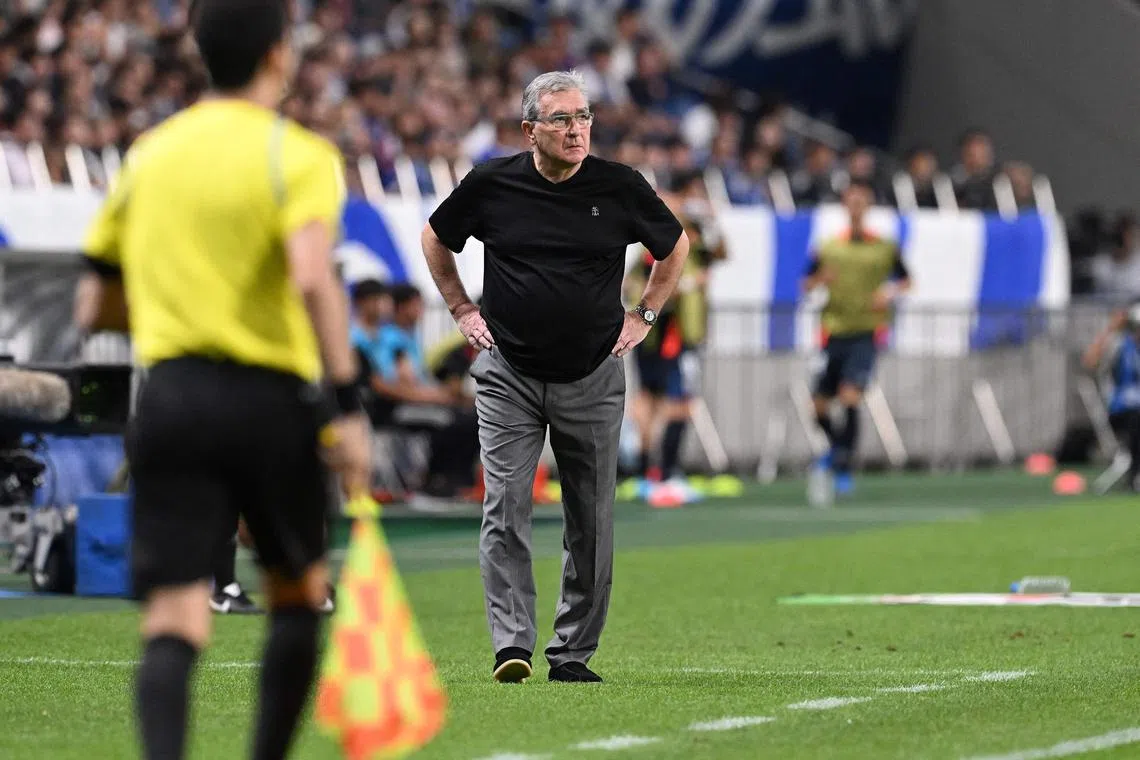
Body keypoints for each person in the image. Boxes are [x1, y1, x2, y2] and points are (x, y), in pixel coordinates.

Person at [73, 2, 371, 758]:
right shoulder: (297, 155)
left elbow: (92, 303)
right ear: (279, 55)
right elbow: (311, 277)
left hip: (170, 397)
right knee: (299, 593)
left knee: (174, 614)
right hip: (268, 400)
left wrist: (180, 308)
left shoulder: (150, 153)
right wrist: (347, 401)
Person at [421, 70, 689, 684]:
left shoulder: (620, 186)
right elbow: (436, 240)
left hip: (593, 374)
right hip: (508, 372)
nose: (577, 129)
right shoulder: (491, 184)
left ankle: (571, 652)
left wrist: (645, 314)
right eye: (562, 119)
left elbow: (674, 247)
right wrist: (462, 309)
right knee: (504, 506)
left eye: (584, 116)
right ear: (530, 130)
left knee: (590, 518)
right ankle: (510, 644)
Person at [803, 179, 911, 506]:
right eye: (851, 201)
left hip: (865, 331)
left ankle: (843, 467)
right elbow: (805, 283)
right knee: (819, 406)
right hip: (832, 331)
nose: (856, 207)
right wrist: (819, 280)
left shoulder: (884, 246)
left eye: (861, 201)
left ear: (868, 206)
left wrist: (888, 293)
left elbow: (906, 281)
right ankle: (838, 451)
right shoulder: (828, 246)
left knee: (850, 396)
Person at [626, 187, 724, 505]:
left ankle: (649, 474)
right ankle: (663, 474)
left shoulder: (691, 242)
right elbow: (645, 285)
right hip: (666, 334)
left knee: (654, 400)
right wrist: (688, 285)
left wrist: (711, 221)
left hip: (666, 333)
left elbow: (721, 253)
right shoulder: (655, 247)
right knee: (672, 401)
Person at [353, 282, 481, 499]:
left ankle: (456, 480)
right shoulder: (367, 340)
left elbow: (409, 381)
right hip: (387, 409)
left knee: (471, 417)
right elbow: (385, 386)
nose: (383, 305)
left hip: (406, 403)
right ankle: (437, 481)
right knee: (451, 421)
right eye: (377, 300)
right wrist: (437, 398)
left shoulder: (391, 338)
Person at [1083, 301, 1140, 491]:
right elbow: (1090, 361)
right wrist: (1110, 329)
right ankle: (1135, 475)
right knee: (1136, 420)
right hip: (1123, 410)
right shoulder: (1120, 346)